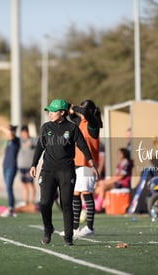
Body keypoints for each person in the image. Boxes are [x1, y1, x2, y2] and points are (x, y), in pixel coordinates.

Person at [30, 99, 98, 246]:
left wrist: (91, 163)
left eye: (53, 111)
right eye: (49, 111)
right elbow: (39, 147)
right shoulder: (46, 127)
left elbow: (83, 145)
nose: (50, 114)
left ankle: (68, 236)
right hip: (48, 170)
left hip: (66, 170)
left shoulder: (72, 128)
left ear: (62, 112)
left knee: (66, 203)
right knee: (44, 203)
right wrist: (34, 164)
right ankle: (48, 229)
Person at [68, 99, 103, 238]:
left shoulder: (93, 124)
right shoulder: (81, 123)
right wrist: (70, 109)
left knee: (86, 193)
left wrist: (76, 108)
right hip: (77, 164)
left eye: (85, 110)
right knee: (75, 194)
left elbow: (84, 113)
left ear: (92, 111)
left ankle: (89, 227)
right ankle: (75, 228)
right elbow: (74, 117)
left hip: (88, 165)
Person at [94, 148, 133, 213]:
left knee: (103, 186)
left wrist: (105, 182)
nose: (118, 155)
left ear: (124, 154)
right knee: (99, 186)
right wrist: (105, 182)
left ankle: (97, 207)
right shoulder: (120, 163)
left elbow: (120, 177)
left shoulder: (126, 163)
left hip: (123, 184)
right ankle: (94, 205)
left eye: (120, 153)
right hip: (118, 182)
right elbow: (115, 177)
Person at [0, 124, 20, 217]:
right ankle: (11, 208)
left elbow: (11, 135)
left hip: (12, 167)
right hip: (6, 166)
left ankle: (11, 208)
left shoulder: (16, 140)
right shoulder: (8, 141)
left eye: (10, 131)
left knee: (9, 187)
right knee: (8, 188)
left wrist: (3, 128)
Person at [17, 125, 37, 205]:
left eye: (25, 133)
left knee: (30, 184)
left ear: (28, 132)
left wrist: (31, 143)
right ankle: (25, 202)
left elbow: (39, 141)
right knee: (24, 185)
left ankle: (32, 202)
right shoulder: (20, 141)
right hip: (22, 166)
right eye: (22, 133)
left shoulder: (32, 140)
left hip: (29, 166)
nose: (24, 134)